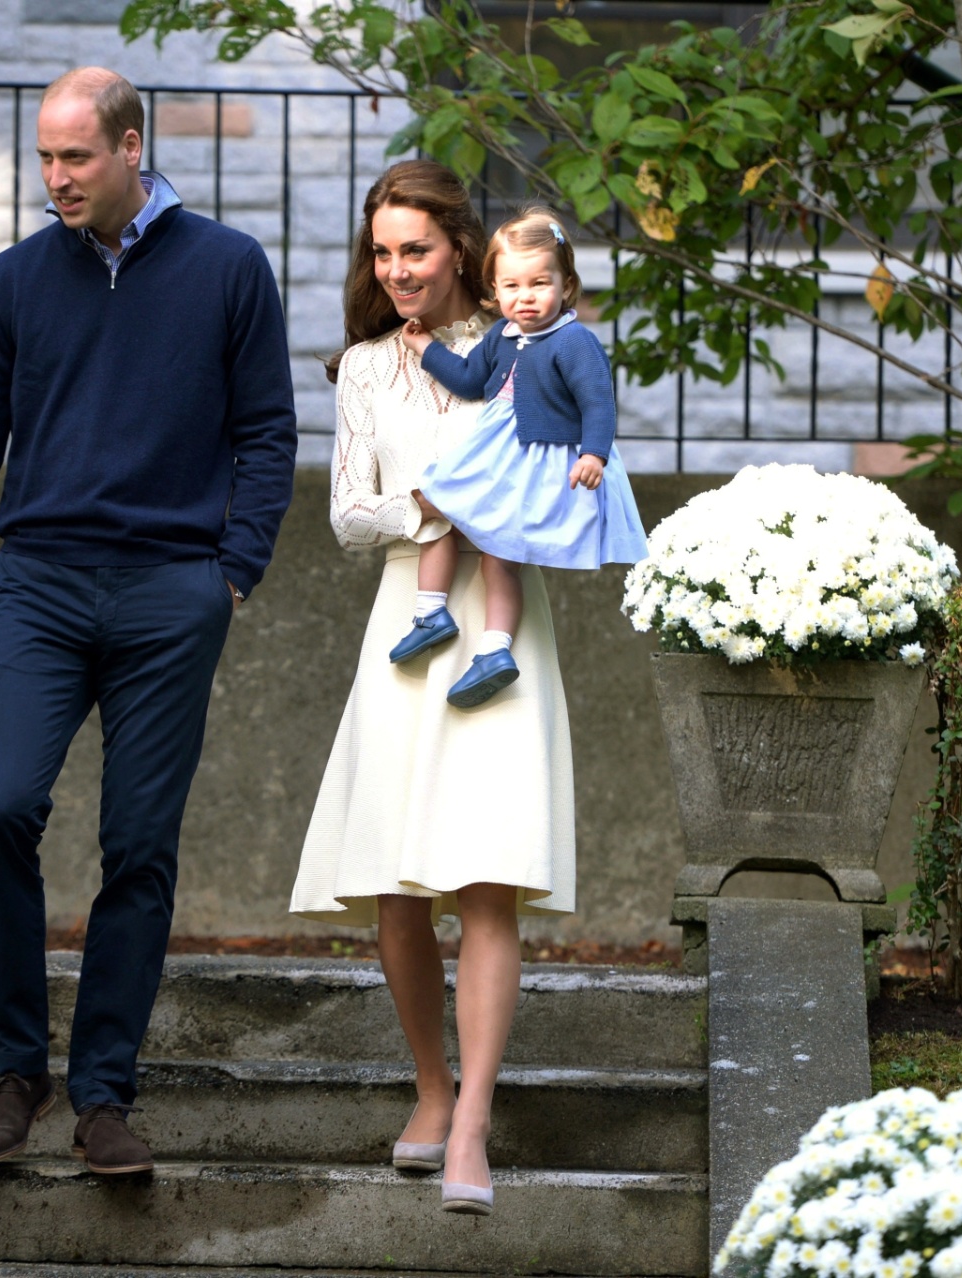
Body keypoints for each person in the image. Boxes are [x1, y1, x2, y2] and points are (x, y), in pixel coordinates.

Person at [0, 67, 297, 1176]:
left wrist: (233, 573)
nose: (55, 179)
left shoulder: (226, 268)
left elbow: (267, 432)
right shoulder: (16, 280)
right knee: (1, 805)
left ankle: (104, 1094)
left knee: (138, 847)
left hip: (174, 592)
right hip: (45, 582)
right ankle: (15, 1072)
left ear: (129, 147)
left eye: (74, 158)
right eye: (44, 160)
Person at [289, 160, 578, 1217]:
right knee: (397, 884)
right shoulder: (365, 369)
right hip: (406, 619)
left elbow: (556, 484)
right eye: (382, 253)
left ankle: (472, 1123)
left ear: (460, 247)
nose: (398, 269)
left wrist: (490, 508)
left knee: (486, 877)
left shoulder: (525, 345)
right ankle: (429, 1086)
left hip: (502, 626)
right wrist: (442, 508)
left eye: (416, 249)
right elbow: (347, 515)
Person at [393, 205, 647, 706]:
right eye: (511, 286)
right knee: (447, 512)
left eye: (539, 284)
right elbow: (468, 380)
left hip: (539, 459)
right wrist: (425, 349)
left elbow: (599, 401)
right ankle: (438, 616)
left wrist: (594, 454)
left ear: (566, 285)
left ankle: (490, 644)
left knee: (496, 549)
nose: (525, 298)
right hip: (500, 454)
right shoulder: (502, 336)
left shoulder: (574, 342)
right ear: (494, 289)